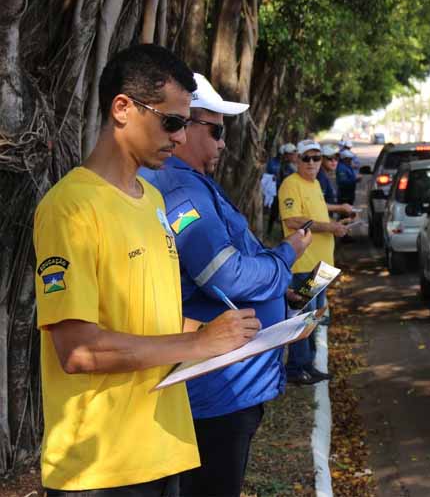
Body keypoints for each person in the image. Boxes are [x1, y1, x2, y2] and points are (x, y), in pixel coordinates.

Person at [32, 44, 261, 496]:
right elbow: (77, 350)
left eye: (185, 124)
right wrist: (197, 343)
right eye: (172, 122)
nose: (181, 138)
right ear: (122, 108)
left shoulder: (153, 201)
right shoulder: (71, 208)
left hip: (163, 453)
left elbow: (149, 320)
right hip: (101, 470)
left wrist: (223, 335)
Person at [140, 73, 313, 497]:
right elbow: (224, 274)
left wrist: (280, 290)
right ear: (182, 125)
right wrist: (285, 257)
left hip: (231, 382)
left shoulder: (191, 182)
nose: (223, 144)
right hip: (218, 386)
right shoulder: (179, 188)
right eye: (216, 131)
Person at [279, 140, 352, 384]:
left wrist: (337, 216)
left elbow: (317, 212)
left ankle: (308, 365)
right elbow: (292, 220)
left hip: (321, 266)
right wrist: (330, 227)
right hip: (304, 266)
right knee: (303, 319)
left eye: (316, 158)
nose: (312, 163)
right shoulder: (291, 184)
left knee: (313, 319)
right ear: (297, 160)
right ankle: (296, 368)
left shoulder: (316, 183)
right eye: (306, 158)